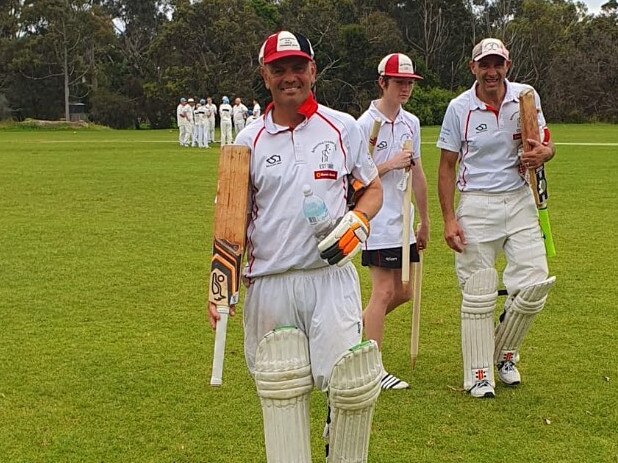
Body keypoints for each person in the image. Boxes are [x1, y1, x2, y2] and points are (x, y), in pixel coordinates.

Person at [209, 31, 384, 462]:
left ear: (313, 70)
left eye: (298, 67)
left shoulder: (342, 127)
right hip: (269, 281)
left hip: (330, 277)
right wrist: (218, 288)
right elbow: (230, 220)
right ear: (265, 76)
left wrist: (357, 221)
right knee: (282, 393)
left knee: (351, 385)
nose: (290, 77)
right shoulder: (246, 142)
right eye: (279, 69)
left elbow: (372, 189)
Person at [436, 38, 556, 399]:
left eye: (497, 64)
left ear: (508, 65)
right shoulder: (460, 108)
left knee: (534, 285)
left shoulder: (526, 97)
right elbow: (446, 166)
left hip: (520, 200)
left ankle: (503, 354)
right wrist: (447, 219)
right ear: (473, 67)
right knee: (477, 292)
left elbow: (546, 143)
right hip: (476, 204)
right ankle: (478, 373)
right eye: (484, 64)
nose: (492, 71)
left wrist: (544, 155)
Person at [357, 53, 429, 390]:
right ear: (382, 82)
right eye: (399, 82)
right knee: (384, 291)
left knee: (404, 292)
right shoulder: (362, 125)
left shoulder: (411, 122)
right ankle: (373, 368)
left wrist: (425, 219)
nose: (405, 88)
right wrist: (389, 164)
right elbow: (355, 180)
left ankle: (353, 332)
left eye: (409, 83)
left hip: (404, 221)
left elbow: (417, 172)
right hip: (377, 220)